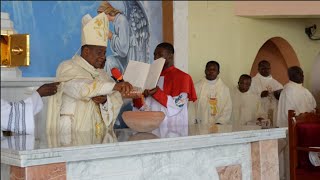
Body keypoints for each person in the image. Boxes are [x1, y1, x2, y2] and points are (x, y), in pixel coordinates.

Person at [46, 13, 134, 140]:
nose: (103, 57)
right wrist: (115, 86)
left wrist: (105, 101)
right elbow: (80, 89)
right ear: (86, 51)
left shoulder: (102, 75)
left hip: (98, 138)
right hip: (71, 136)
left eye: (104, 53)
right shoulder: (68, 67)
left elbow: (115, 99)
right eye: (99, 53)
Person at [132, 42, 197, 137]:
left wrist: (157, 93)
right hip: (150, 129)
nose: (155, 58)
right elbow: (142, 108)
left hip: (172, 130)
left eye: (159, 55)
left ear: (170, 56)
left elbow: (178, 105)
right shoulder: (148, 76)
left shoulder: (183, 77)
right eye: (154, 55)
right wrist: (140, 96)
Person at [97, 1, 137, 75]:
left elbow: (123, 49)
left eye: (102, 17)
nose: (101, 20)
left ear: (107, 12)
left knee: (109, 61)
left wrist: (111, 36)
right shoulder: (117, 21)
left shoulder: (121, 20)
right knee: (108, 60)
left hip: (128, 58)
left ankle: (110, 85)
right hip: (124, 56)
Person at [193, 61, 232, 125]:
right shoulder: (196, 87)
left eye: (214, 69)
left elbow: (227, 108)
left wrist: (219, 123)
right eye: (209, 69)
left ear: (218, 72)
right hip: (200, 126)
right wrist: (194, 121)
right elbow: (192, 107)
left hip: (219, 127)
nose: (211, 71)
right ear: (205, 71)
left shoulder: (225, 89)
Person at [251, 60, 283, 127]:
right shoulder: (253, 81)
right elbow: (248, 97)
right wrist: (260, 94)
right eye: (263, 68)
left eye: (268, 68)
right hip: (259, 113)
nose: (266, 70)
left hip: (273, 112)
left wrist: (278, 94)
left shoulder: (276, 83)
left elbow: (282, 96)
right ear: (258, 69)